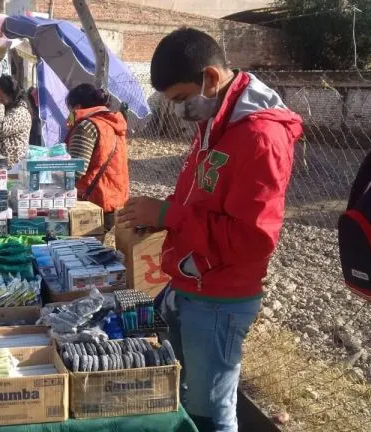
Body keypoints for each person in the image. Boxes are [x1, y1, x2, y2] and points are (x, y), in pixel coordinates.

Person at [116, 28, 302, 432]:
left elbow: (253, 239)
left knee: (212, 411)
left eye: (180, 98)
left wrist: (169, 215)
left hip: (219, 298)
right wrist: (159, 215)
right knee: (190, 395)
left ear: (211, 79)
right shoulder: (216, 123)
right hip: (190, 283)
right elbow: (199, 197)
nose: (178, 111)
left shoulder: (260, 137)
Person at [65, 84, 128, 228]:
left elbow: (75, 170)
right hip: (113, 200)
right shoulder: (112, 123)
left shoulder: (86, 127)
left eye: (70, 109)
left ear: (77, 107)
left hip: (91, 203)